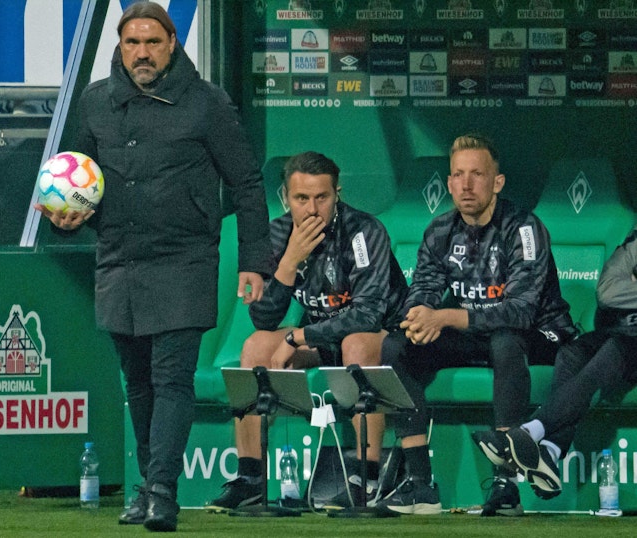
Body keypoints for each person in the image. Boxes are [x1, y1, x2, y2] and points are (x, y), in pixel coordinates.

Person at [34, 2, 271, 532]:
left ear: (172, 45)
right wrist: (61, 218)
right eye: (131, 43)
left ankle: (163, 490)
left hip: (184, 258)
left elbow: (247, 183)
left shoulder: (207, 104)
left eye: (152, 42)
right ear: (121, 48)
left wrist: (254, 261)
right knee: (137, 383)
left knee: (171, 378)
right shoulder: (96, 103)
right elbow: (72, 180)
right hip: (118, 258)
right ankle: (147, 485)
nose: (141, 53)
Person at [376, 134, 577, 516]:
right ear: (449, 182)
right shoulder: (439, 231)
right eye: (458, 175)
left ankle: (506, 482)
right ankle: (420, 485)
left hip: (542, 333)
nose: (467, 185)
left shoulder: (524, 229)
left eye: (477, 175)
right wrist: (418, 317)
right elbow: (423, 289)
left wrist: (446, 316)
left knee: (505, 339)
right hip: (476, 333)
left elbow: (520, 311)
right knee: (396, 346)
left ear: (497, 182)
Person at [205, 151, 409, 512]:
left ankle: (368, 476)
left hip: (383, 338)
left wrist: (298, 337)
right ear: (286, 197)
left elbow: (368, 315)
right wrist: (288, 263)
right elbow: (263, 320)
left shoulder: (364, 232)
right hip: (323, 338)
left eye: (321, 197)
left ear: (337, 195)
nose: (312, 209)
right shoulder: (279, 233)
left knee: (356, 344)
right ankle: (250, 477)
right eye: (302, 198)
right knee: (255, 347)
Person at [473, 224, 637, 500]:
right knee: (572, 352)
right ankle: (548, 452)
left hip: (626, 342)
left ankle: (528, 431)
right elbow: (608, 291)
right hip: (622, 331)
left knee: (615, 347)